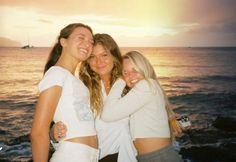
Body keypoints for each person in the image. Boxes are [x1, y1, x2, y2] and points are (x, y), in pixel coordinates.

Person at [52, 33, 138, 162]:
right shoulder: (82, 90)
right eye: (93, 57)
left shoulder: (128, 83)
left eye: (104, 55)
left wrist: (170, 116)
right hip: (100, 157)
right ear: (87, 61)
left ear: (114, 56)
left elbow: (151, 95)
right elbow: (66, 123)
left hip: (131, 155)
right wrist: (53, 134)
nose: (99, 62)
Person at [30, 23, 98, 162]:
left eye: (91, 41)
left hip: (89, 156)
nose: (88, 44)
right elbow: (38, 132)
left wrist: (54, 134)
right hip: (72, 155)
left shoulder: (73, 79)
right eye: (81, 38)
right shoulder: (56, 74)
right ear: (63, 41)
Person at [101, 51, 183, 162]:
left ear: (144, 68)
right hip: (147, 157)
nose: (130, 76)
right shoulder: (146, 89)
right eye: (125, 72)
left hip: (159, 157)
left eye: (135, 70)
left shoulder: (146, 86)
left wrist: (120, 80)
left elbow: (107, 114)